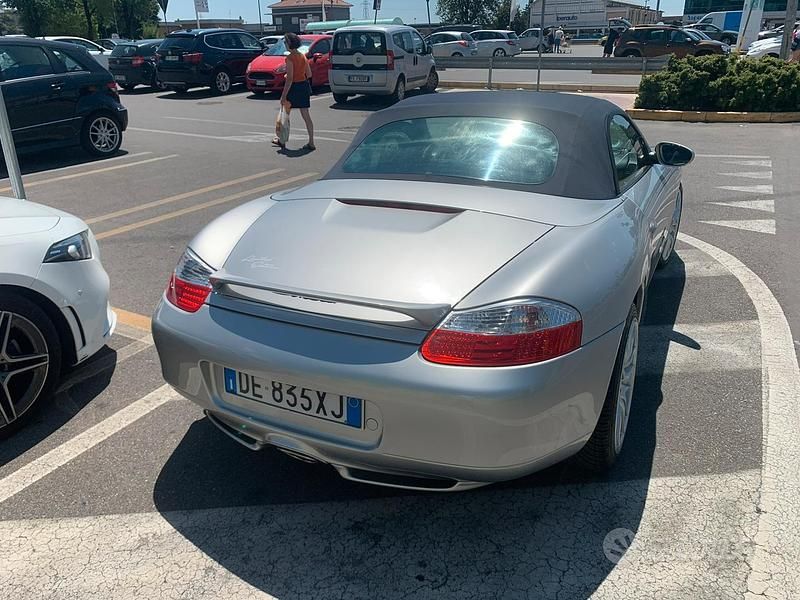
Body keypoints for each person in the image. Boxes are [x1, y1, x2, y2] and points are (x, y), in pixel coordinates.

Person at [273, 32, 315, 151]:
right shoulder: (302, 56)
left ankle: (282, 140)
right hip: (303, 86)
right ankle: (311, 142)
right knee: (306, 115)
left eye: (285, 42)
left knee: (285, 114)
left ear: (289, 43)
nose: (285, 45)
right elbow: (309, 74)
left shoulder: (290, 58)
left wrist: (283, 95)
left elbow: (290, 78)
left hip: (294, 87)